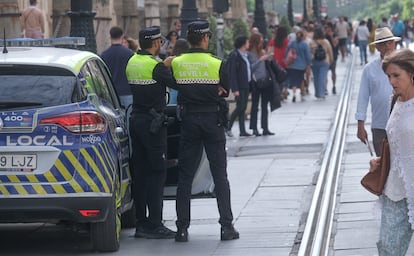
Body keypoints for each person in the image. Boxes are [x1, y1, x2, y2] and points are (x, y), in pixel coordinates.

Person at [170, 20, 239, 242]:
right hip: (212, 120)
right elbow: (225, 90)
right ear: (206, 38)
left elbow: (167, 78)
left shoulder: (177, 63)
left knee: (185, 177)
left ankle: (181, 229)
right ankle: (226, 226)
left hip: (189, 120)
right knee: (220, 176)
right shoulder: (216, 63)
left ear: (188, 38)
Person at [125, 26, 177, 239]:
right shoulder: (156, 66)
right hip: (154, 122)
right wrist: (167, 65)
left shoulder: (132, 62)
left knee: (140, 171)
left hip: (136, 119)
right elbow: (175, 83)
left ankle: (141, 222)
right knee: (158, 172)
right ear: (156, 43)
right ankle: (155, 223)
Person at [371, 48, 414, 255]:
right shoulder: (394, 101)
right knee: (388, 248)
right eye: (388, 76)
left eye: (396, 75)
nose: (391, 81)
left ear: (412, 74)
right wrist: (381, 159)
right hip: (395, 188)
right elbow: (395, 140)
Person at [355, 27, 400, 156]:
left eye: (389, 42)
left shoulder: (405, 65)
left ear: (394, 43)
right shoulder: (369, 69)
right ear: (377, 47)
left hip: (403, 123)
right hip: (380, 125)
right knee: (383, 165)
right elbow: (363, 98)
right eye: (382, 44)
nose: (387, 47)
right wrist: (360, 125)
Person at [248, 33, 275, 136]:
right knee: (255, 105)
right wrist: (260, 60)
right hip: (256, 82)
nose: (262, 42)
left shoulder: (262, 52)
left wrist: (268, 57)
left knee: (265, 105)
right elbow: (251, 68)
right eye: (260, 41)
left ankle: (265, 127)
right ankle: (254, 128)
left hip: (265, 81)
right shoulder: (250, 54)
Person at [101, 26, 134, 108]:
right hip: (127, 91)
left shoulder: (104, 54)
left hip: (111, 93)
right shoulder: (129, 53)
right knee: (128, 117)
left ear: (110, 37)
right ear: (122, 37)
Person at [226, 35, 252, 137]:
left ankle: (242, 130)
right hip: (240, 86)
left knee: (243, 107)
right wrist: (235, 89)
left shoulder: (245, 55)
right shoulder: (235, 55)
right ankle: (228, 126)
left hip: (246, 85)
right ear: (243, 44)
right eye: (247, 42)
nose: (248, 44)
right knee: (240, 107)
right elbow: (232, 73)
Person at [285, 28, 312, 102]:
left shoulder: (291, 43)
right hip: (301, 65)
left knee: (293, 80)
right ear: (303, 36)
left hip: (292, 65)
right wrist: (308, 63)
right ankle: (302, 93)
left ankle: (293, 94)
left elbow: (286, 51)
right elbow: (308, 56)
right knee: (301, 79)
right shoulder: (304, 44)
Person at [309, 27, 333, 100]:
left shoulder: (312, 42)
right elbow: (330, 51)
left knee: (316, 78)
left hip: (314, 61)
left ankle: (317, 93)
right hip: (325, 61)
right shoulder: (325, 41)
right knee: (322, 77)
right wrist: (331, 60)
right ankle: (322, 93)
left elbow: (309, 52)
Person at [324, 21, 339, 95]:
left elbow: (335, 45)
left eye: (328, 28)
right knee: (325, 73)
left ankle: (334, 86)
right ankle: (325, 88)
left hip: (333, 56)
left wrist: (331, 36)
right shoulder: (324, 35)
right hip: (325, 57)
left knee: (333, 71)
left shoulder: (335, 35)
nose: (327, 29)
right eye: (326, 28)